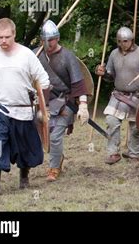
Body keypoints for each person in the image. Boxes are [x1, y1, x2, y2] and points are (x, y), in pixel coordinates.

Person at [0, 18, 50, 199]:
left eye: (7, 37)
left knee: (24, 148)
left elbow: (44, 82)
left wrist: (44, 109)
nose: (4, 41)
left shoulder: (27, 55)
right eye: (0, 37)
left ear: (14, 34)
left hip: (23, 110)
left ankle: (24, 178)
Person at [35, 20, 90, 181]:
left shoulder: (68, 57)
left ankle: (54, 168)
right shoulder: (34, 55)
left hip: (65, 103)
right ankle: (57, 157)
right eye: (45, 40)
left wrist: (83, 105)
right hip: (43, 103)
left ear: (57, 38)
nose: (48, 43)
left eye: (51, 40)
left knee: (55, 136)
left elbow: (79, 84)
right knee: (43, 134)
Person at [95, 27, 139, 163]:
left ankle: (134, 153)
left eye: (125, 41)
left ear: (131, 40)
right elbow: (110, 77)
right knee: (111, 121)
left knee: (136, 127)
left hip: (137, 95)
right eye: (120, 41)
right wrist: (103, 73)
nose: (122, 44)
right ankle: (113, 153)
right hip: (119, 95)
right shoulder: (113, 54)